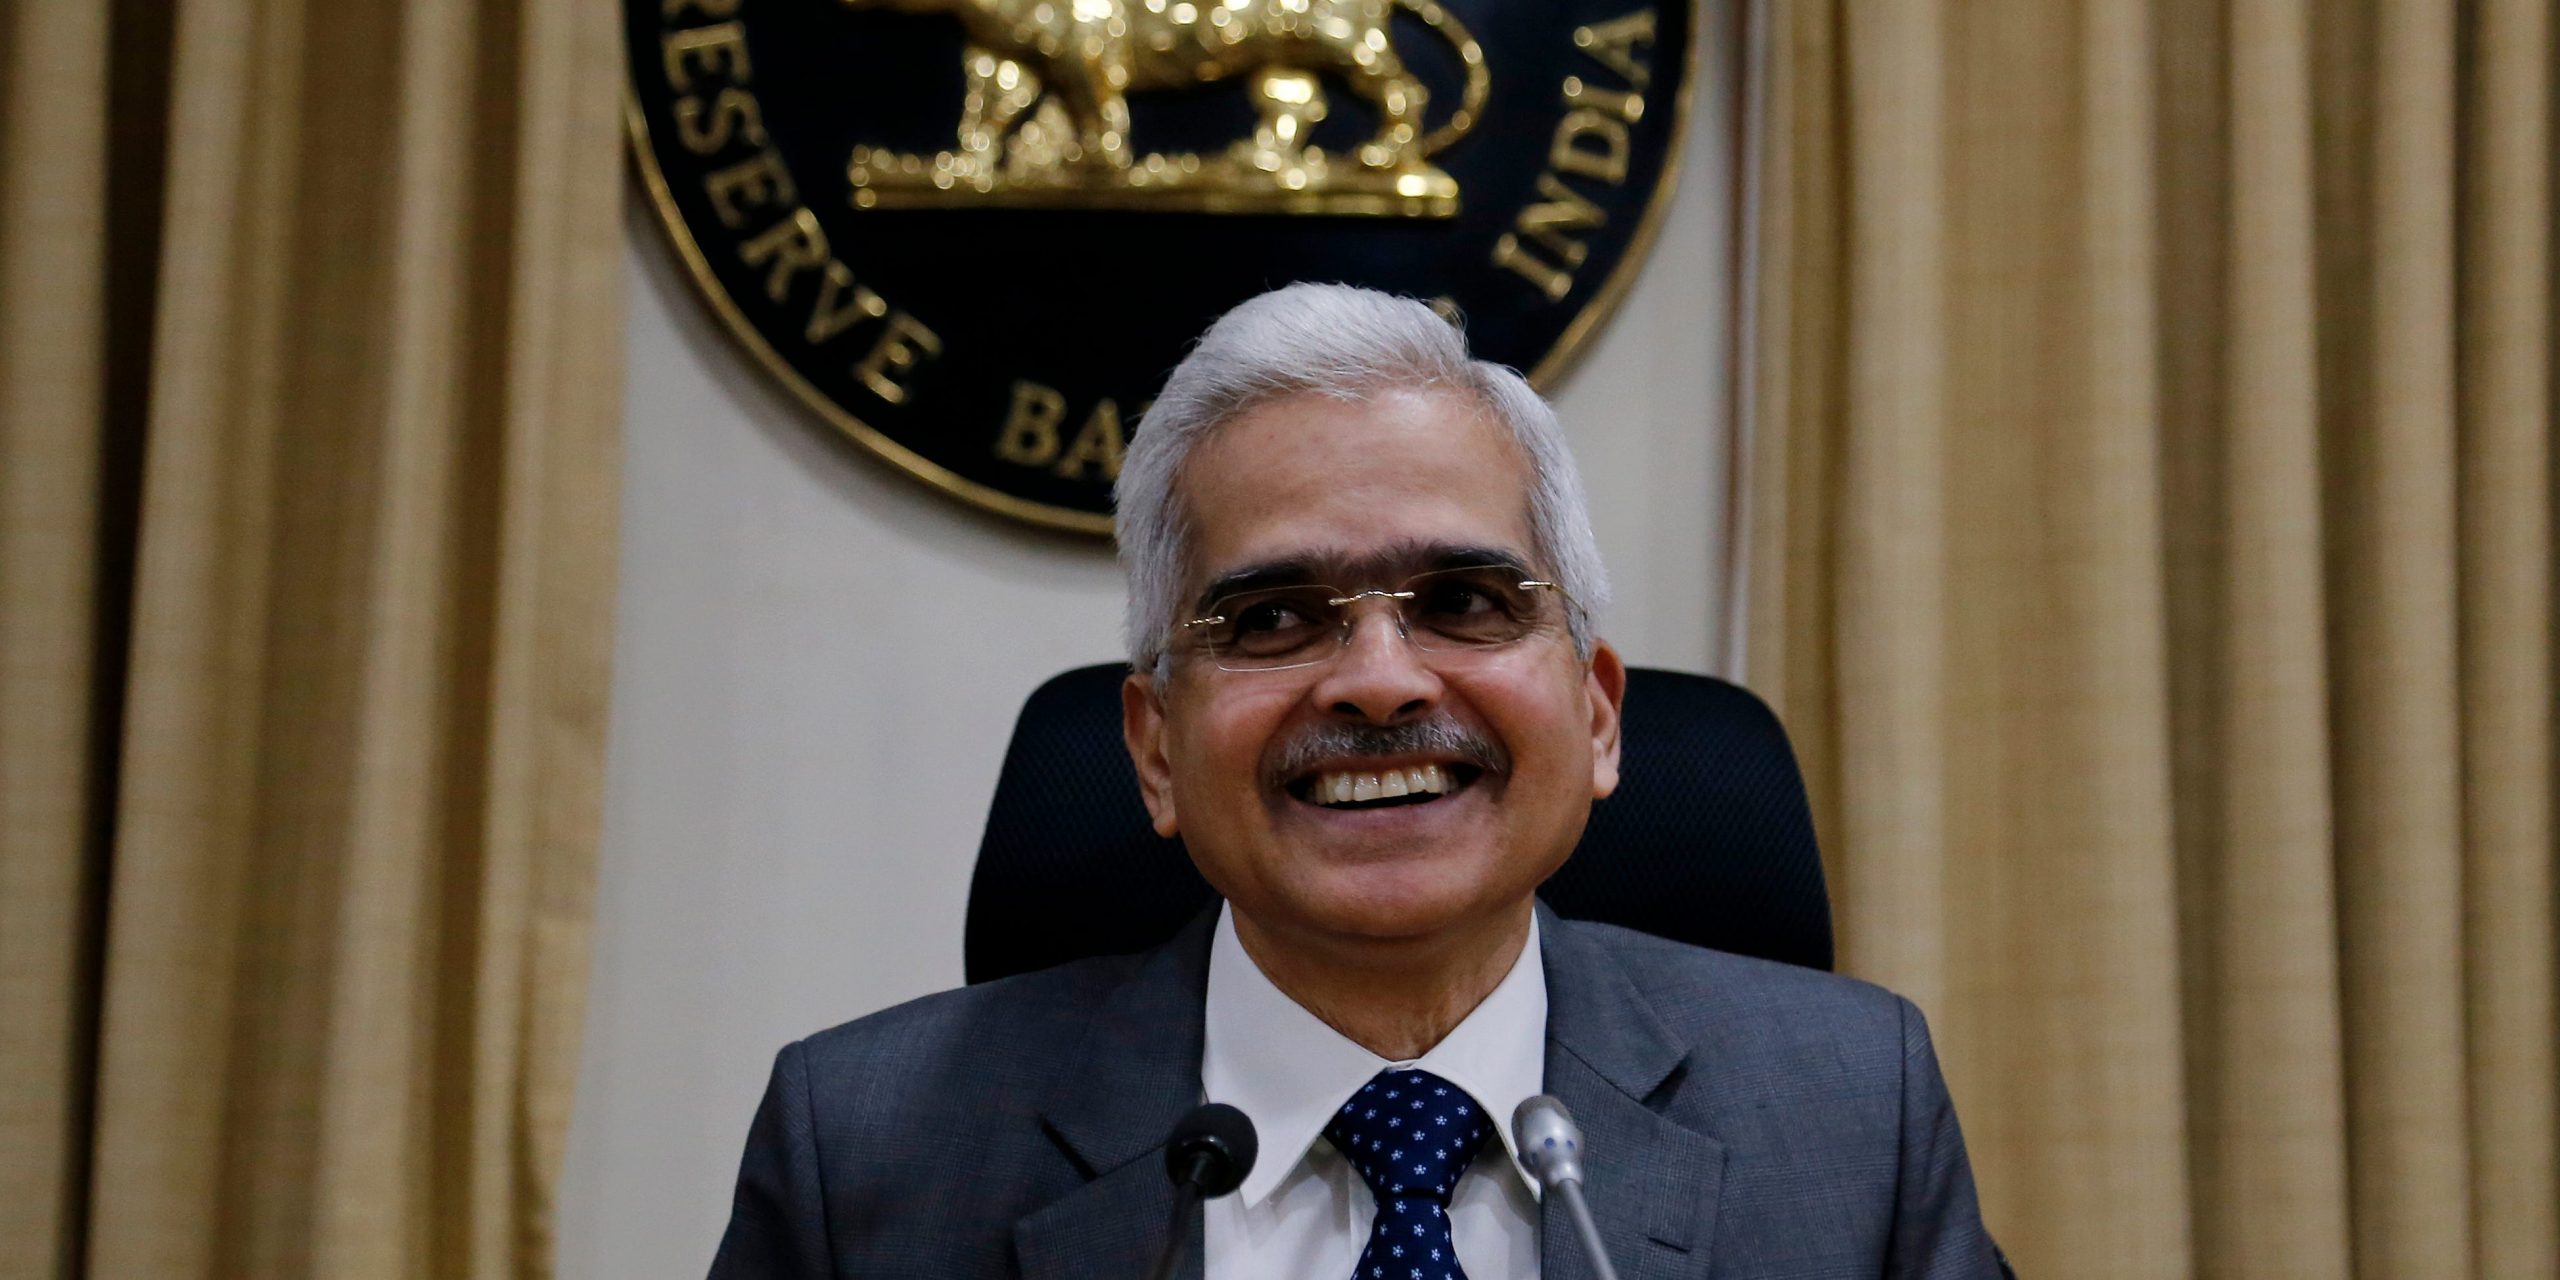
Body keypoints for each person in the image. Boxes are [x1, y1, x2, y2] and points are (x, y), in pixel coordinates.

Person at [708, 283, 2005, 1278]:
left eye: (1463, 601)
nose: (1380, 683)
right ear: (1156, 750)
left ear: (1600, 715)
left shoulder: (1852, 1116)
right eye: (1274, 621)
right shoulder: (866, 1160)